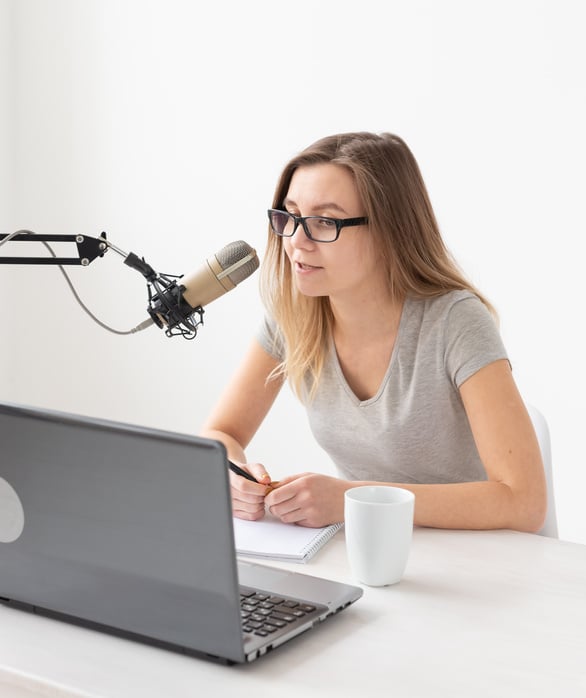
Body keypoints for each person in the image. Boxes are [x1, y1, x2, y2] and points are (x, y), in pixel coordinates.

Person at [201, 132, 546, 532]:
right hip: (372, 547)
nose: (296, 241)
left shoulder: (455, 321)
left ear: (388, 230)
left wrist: (352, 498)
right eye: (290, 216)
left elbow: (524, 502)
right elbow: (220, 432)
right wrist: (233, 475)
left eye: (323, 222)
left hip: (473, 561)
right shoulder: (293, 316)